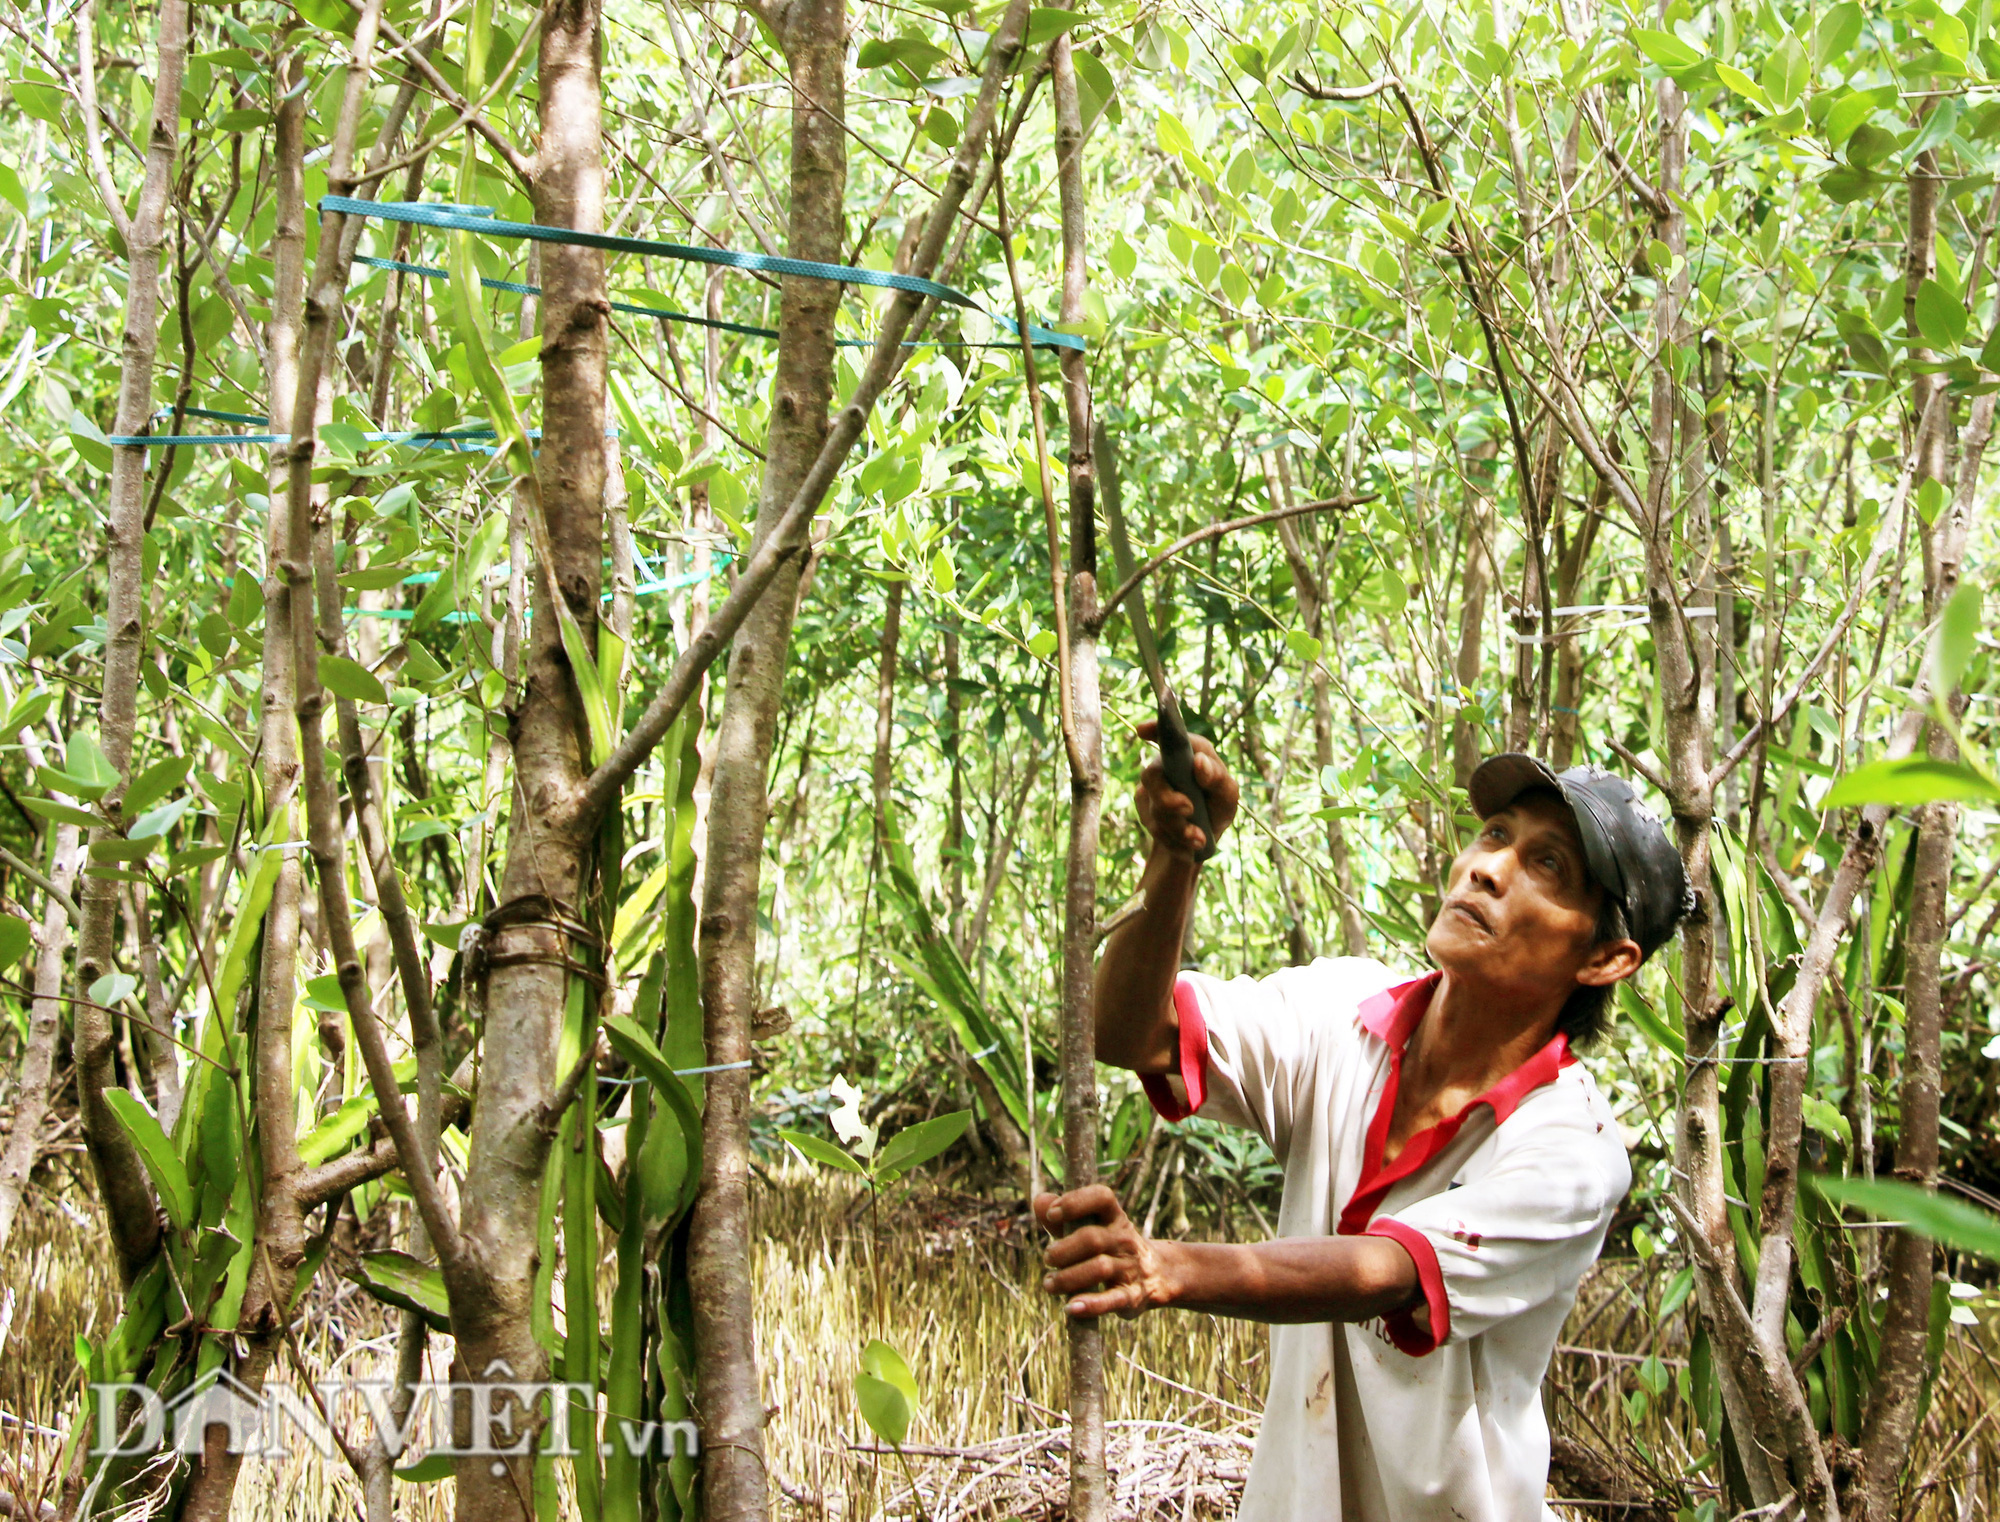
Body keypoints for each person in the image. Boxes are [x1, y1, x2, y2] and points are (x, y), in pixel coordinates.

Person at [1034, 732, 1690, 1521]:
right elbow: (1132, 1035)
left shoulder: (1574, 1149)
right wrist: (1175, 860)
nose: (1488, 868)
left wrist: (1167, 1266)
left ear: (1605, 960)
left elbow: (1387, 1271)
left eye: (1547, 866)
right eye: (1495, 835)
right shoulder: (1344, 1010)